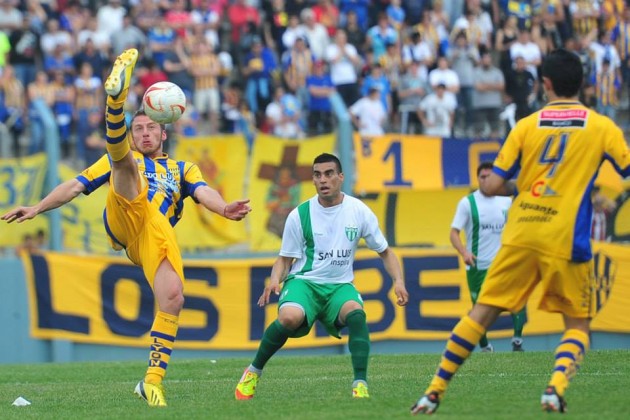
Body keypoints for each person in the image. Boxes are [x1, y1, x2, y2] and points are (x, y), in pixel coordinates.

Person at [1, 48, 252, 407]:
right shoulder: (126, 155)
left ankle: (152, 382)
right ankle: (114, 102)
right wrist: (38, 208)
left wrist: (225, 208)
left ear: (163, 133)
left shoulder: (182, 169)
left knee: (174, 297)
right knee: (126, 167)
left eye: (151, 128)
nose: (145, 134)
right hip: (122, 216)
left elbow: (203, 192)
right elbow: (74, 186)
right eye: (138, 129)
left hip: (152, 235)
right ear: (132, 134)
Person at [410, 48, 630, 415]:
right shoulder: (601, 126)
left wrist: (525, 186)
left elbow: (492, 186)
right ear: (584, 84)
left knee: (480, 314)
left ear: (545, 84)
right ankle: (553, 389)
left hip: (521, 230)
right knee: (577, 325)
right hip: (565, 237)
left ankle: (433, 391)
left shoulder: (526, 125)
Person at [235, 153, 409, 400]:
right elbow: (285, 259)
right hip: (304, 282)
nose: (323, 180)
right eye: (317, 175)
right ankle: (253, 371)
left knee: (357, 314)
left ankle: (360, 384)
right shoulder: (300, 214)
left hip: (339, 286)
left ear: (340, 177)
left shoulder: (358, 211)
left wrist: (398, 282)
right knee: (288, 317)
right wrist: (275, 280)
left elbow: (386, 252)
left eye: (328, 174)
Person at [450, 162, 526, 353]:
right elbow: (453, 233)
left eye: (489, 176)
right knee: (479, 310)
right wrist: (464, 253)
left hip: (503, 263)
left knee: (517, 300)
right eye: (482, 177)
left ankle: (517, 341)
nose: (485, 181)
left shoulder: (506, 201)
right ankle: (485, 347)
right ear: (477, 179)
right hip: (478, 266)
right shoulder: (468, 203)